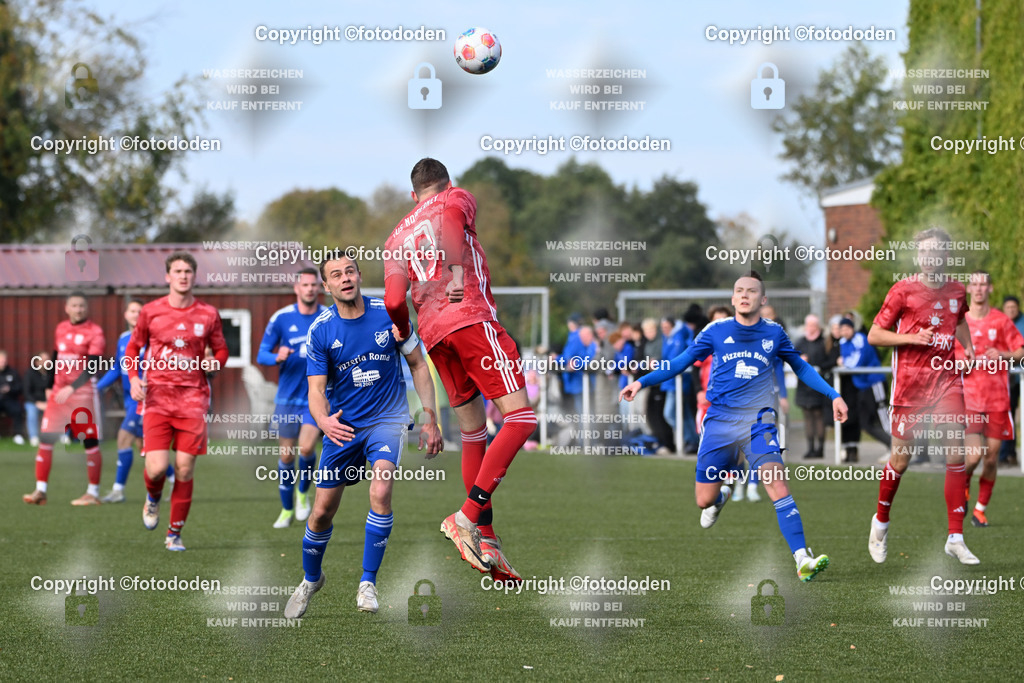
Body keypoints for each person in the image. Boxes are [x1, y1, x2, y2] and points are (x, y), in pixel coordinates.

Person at [620, 272, 848, 581]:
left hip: (759, 421)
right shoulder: (716, 331)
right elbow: (680, 362)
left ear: (762, 299)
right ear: (732, 298)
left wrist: (834, 395)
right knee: (703, 499)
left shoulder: (775, 333)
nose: (744, 295)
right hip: (720, 422)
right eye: (739, 291)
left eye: (751, 291)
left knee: (776, 481)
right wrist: (641, 382)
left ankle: (802, 558)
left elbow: (802, 368)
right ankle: (722, 495)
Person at [383, 158, 538, 581]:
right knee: (521, 419)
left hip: (434, 337)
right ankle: (467, 517)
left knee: (473, 433)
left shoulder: (395, 238)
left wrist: (402, 332)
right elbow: (451, 221)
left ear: (413, 195)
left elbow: (394, 301)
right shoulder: (456, 198)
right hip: (468, 317)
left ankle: (485, 539)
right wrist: (454, 272)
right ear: (446, 182)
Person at [283, 253, 443, 618]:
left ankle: (367, 582)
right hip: (342, 425)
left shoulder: (389, 313)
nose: (345, 278)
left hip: (386, 419)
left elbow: (418, 365)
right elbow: (316, 390)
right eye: (336, 275)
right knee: (322, 511)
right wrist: (323, 421)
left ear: (359, 275)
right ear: (326, 286)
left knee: (381, 488)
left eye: (350, 271)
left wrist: (429, 417)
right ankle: (311, 579)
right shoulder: (321, 329)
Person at [866, 227, 978, 565]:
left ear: (946, 255)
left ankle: (955, 536)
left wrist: (968, 347)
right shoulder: (903, 291)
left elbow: (959, 320)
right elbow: (875, 334)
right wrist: (912, 340)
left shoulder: (957, 290)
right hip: (910, 388)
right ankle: (880, 523)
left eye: (937, 252)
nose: (931, 258)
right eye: (925, 252)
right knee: (901, 460)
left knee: (955, 452)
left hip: (946, 383)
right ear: (918, 257)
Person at [126, 252, 228, 551]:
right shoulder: (151, 311)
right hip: (157, 398)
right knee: (157, 469)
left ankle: (174, 534)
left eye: (188, 271)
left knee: (184, 468)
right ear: (168, 276)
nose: (183, 276)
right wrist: (134, 379)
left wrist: (216, 363)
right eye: (177, 271)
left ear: (194, 277)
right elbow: (133, 348)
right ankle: (153, 497)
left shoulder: (208, 314)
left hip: (193, 400)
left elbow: (221, 350)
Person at [257, 267, 328, 528]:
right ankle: (286, 510)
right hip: (286, 399)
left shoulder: (328, 317)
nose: (310, 289)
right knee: (286, 456)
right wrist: (276, 356)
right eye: (305, 285)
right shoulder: (281, 318)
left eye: (313, 285)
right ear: (296, 288)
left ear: (319, 288)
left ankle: (302, 494)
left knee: (307, 448)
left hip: (316, 398)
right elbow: (261, 354)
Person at [22, 292, 106, 506]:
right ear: (67, 308)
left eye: (81, 306)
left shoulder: (95, 332)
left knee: (89, 443)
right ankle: (40, 491)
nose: (78, 309)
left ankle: (93, 493)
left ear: (86, 308)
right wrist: (50, 387)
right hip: (59, 394)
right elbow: (56, 357)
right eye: (74, 305)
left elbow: (94, 365)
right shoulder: (61, 328)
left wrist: (72, 387)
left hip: (83, 395)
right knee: (46, 440)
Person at [957, 272, 1024, 527]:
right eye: (974, 284)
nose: (978, 289)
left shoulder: (1002, 320)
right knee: (973, 457)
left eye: (983, 284)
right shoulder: (960, 321)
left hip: (998, 402)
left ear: (990, 288)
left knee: (992, 458)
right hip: (971, 402)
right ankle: (963, 486)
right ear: (968, 288)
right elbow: (949, 356)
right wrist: (961, 361)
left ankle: (980, 509)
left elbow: (1020, 352)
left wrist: (1005, 355)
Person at [96, 299, 174, 503]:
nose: (136, 314)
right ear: (126, 315)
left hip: (146, 400)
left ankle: (118, 490)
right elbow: (116, 369)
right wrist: (96, 387)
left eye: (140, 311)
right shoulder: (123, 339)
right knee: (145, 447)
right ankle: (176, 480)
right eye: (132, 311)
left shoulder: (152, 338)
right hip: (130, 401)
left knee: (123, 438)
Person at [837, 318, 892, 461]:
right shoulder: (843, 342)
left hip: (874, 383)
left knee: (882, 417)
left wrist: (844, 363)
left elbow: (855, 362)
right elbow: (845, 360)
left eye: (847, 328)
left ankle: (897, 448)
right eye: (842, 329)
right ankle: (892, 445)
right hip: (862, 386)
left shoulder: (860, 339)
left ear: (852, 328)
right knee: (866, 423)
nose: (844, 332)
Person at [793, 315, 832, 459]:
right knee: (808, 417)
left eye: (813, 325)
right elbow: (791, 359)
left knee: (819, 416)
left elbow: (829, 361)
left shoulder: (823, 342)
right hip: (804, 386)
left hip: (819, 384)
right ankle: (810, 448)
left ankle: (820, 448)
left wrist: (817, 367)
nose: (811, 328)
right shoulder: (800, 342)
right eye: (808, 325)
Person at [998, 295, 1023, 467]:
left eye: (1014, 307)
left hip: (1020, 373)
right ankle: (1005, 454)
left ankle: (1009, 453)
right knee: (1007, 413)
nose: (1011, 310)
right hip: (1005, 376)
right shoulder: (999, 323)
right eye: (1008, 307)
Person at [23, 351, 50, 447]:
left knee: (60, 410)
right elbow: (26, 392)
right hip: (33, 402)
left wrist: (49, 402)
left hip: (49, 402)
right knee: (32, 412)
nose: (46, 362)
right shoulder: (30, 373)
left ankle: (62, 436)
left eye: (47, 359)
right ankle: (34, 437)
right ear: (37, 362)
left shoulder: (52, 373)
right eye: (43, 360)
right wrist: (37, 403)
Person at [0, 350, 26, 444]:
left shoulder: (12, 372)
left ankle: (18, 435)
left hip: (10, 399)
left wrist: (10, 389)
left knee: (17, 410)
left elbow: (20, 387)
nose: (3, 363)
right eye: (1, 361)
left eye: (4, 361)